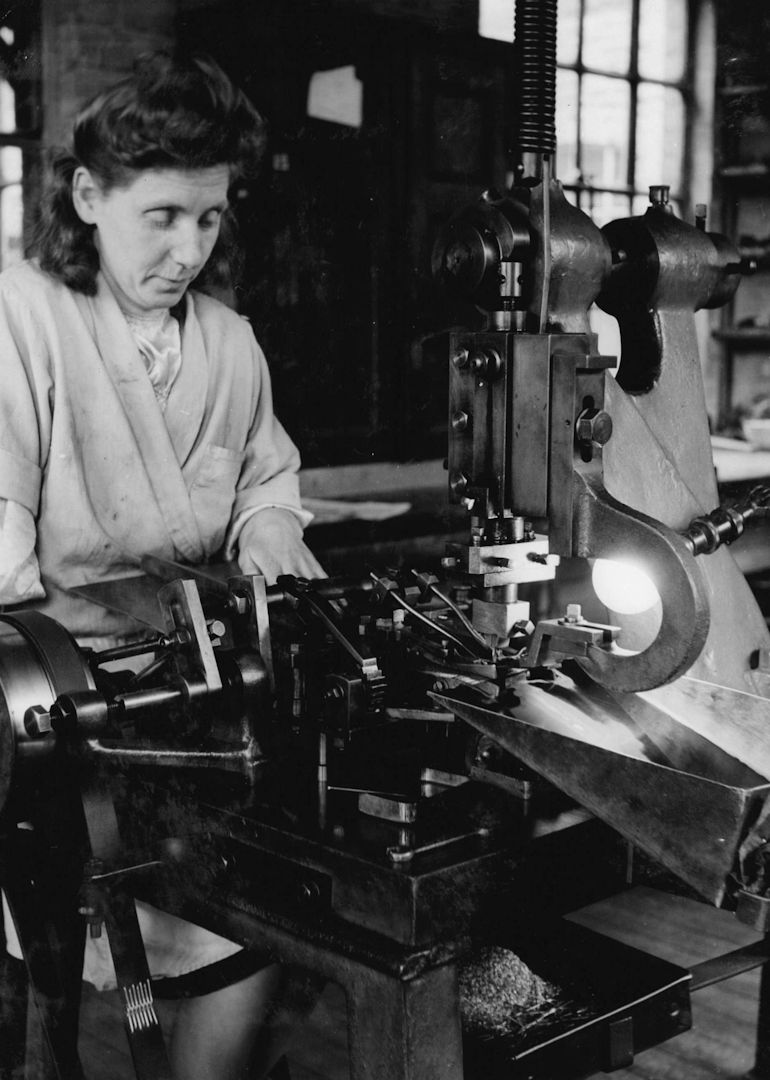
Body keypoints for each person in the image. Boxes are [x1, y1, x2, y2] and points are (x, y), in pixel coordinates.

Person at [0, 51, 324, 1079]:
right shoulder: (21, 316)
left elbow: (267, 476)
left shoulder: (227, 342)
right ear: (87, 197)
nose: (190, 249)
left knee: (264, 917)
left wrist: (268, 529)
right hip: (47, 701)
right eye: (163, 217)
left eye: (210, 218)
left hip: (192, 692)